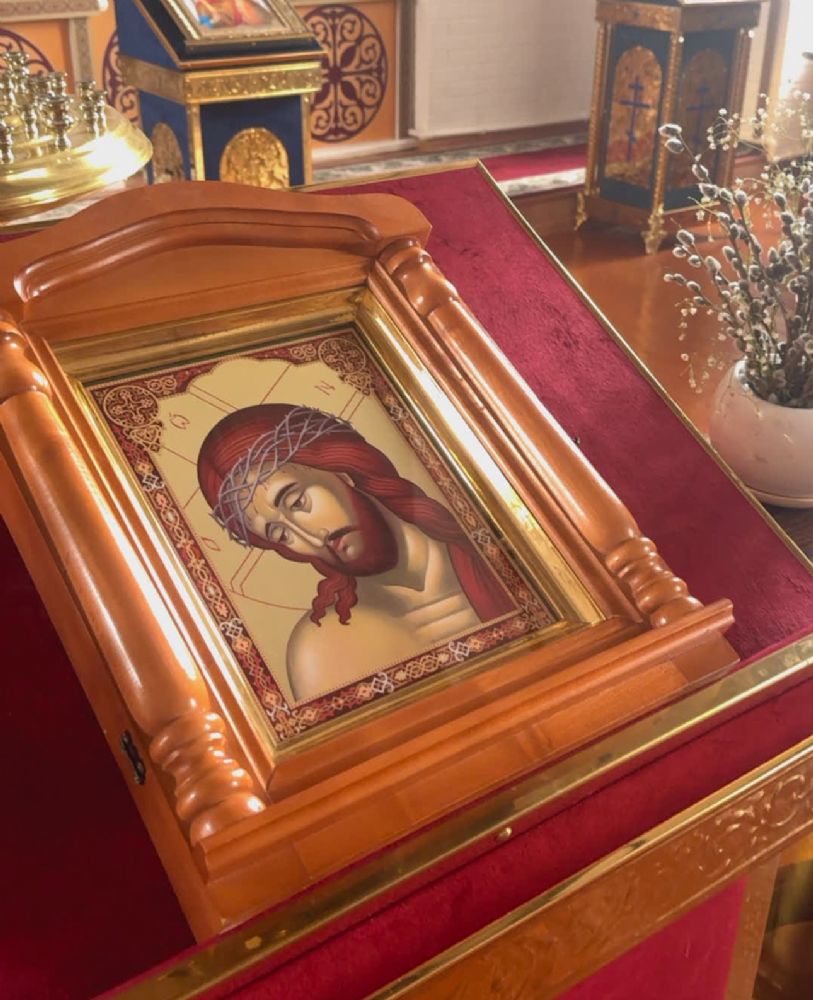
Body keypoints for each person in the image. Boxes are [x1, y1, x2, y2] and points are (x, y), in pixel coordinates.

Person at [198, 404, 514, 701]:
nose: (311, 537)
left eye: (297, 502)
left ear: (341, 470)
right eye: (280, 534)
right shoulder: (325, 645)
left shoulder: (500, 546)